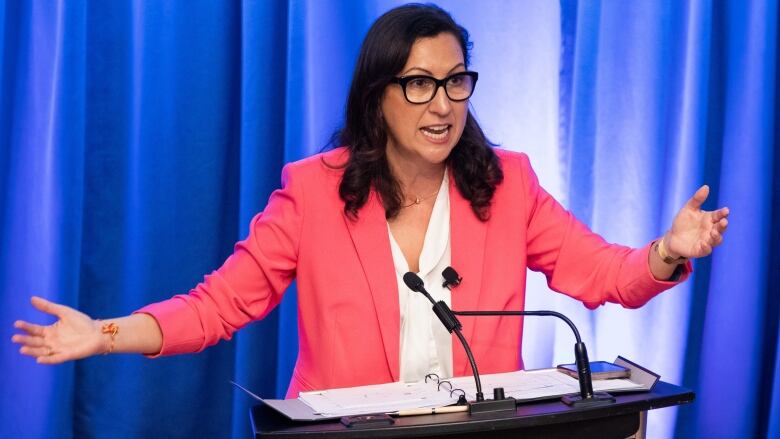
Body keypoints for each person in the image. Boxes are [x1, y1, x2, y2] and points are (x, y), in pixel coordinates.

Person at [12, 4, 728, 398]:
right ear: (377, 96)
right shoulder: (312, 192)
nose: (442, 104)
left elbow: (602, 272)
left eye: (456, 81)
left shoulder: (507, 184)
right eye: (419, 83)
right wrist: (104, 332)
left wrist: (666, 251)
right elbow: (216, 306)